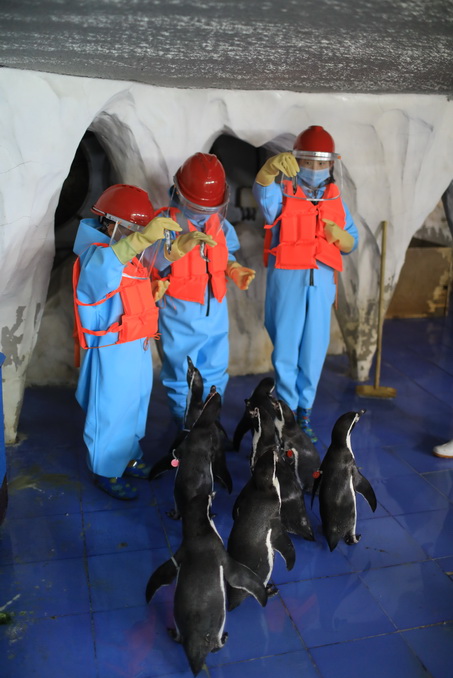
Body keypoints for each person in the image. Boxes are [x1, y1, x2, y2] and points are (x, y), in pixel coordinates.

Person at [73, 184, 216, 499]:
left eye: (140, 231)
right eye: (133, 229)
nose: (137, 236)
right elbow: (103, 274)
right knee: (111, 410)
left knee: (135, 405)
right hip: (111, 349)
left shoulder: (127, 253)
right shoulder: (96, 255)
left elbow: (144, 268)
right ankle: (105, 469)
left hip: (136, 343)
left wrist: (174, 253)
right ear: (110, 223)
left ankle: (126, 456)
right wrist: (139, 239)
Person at [252, 125, 359, 443]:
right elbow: (263, 197)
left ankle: (304, 413)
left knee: (314, 349)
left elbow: (351, 239)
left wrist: (342, 238)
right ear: (296, 161)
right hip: (288, 283)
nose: (315, 168)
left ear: (332, 164)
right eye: (308, 162)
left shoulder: (336, 199)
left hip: (322, 285)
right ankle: (285, 410)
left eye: (321, 162)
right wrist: (268, 170)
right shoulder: (283, 193)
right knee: (286, 348)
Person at [152, 152, 256, 424]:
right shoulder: (163, 225)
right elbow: (151, 262)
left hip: (215, 309)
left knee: (216, 367)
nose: (204, 213)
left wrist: (234, 269)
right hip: (179, 311)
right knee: (181, 372)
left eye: (211, 208)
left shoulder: (220, 226)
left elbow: (226, 254)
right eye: (197, 206)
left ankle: (210, 422)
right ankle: (185, 425)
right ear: (179, 194)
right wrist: (174, 250)